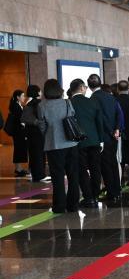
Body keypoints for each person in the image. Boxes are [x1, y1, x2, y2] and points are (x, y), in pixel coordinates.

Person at [36, 79, 80, 213]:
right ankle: (73, 205)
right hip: (71, 143)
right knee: (73, 175)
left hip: (53, 144)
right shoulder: (67, 102)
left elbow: (42, 125)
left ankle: (59, 206)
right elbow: (73, 117)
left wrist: (49, 133)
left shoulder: (42, 106)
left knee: (57, 176)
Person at [69, 78, 104, 207]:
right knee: (95, 168)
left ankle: (88, 197)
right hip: (94, 140)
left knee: (82, 169)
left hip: (78, 142)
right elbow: (99, 122)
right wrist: (101, 140)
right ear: (82, 88)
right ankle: (96, 194)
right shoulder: (92, 102)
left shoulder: (69, 103)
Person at [88, 74, 121, 201]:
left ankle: (111, 192)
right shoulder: (110, 96)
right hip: (114, 135)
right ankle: (117, 189)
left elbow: (100, 119)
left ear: (89, 86)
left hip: (104, 136)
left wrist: (111, 131)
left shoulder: (93, 98)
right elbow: (118, 113)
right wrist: (117, 129)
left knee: (105, 165)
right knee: (113, 162)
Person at [21, 85, 47, 182]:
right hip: (39, 132)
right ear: (37, 92)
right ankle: (41, 175)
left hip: (30, 132)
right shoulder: (40, 103)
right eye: (40, 91)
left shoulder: (28, 104)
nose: (41, 92)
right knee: (40, 153)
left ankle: (35, 174)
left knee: (33, 154)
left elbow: (23, 119)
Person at [7, 90, 28, 176]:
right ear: (18, 97)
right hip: (18, 131)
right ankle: (18, 169)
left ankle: (19, 168)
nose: (24, 97)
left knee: (19, 149)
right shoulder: (15, 106)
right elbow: (20, 119)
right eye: (22, 96)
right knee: (18, 149)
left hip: (19, 131)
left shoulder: (18, 105)